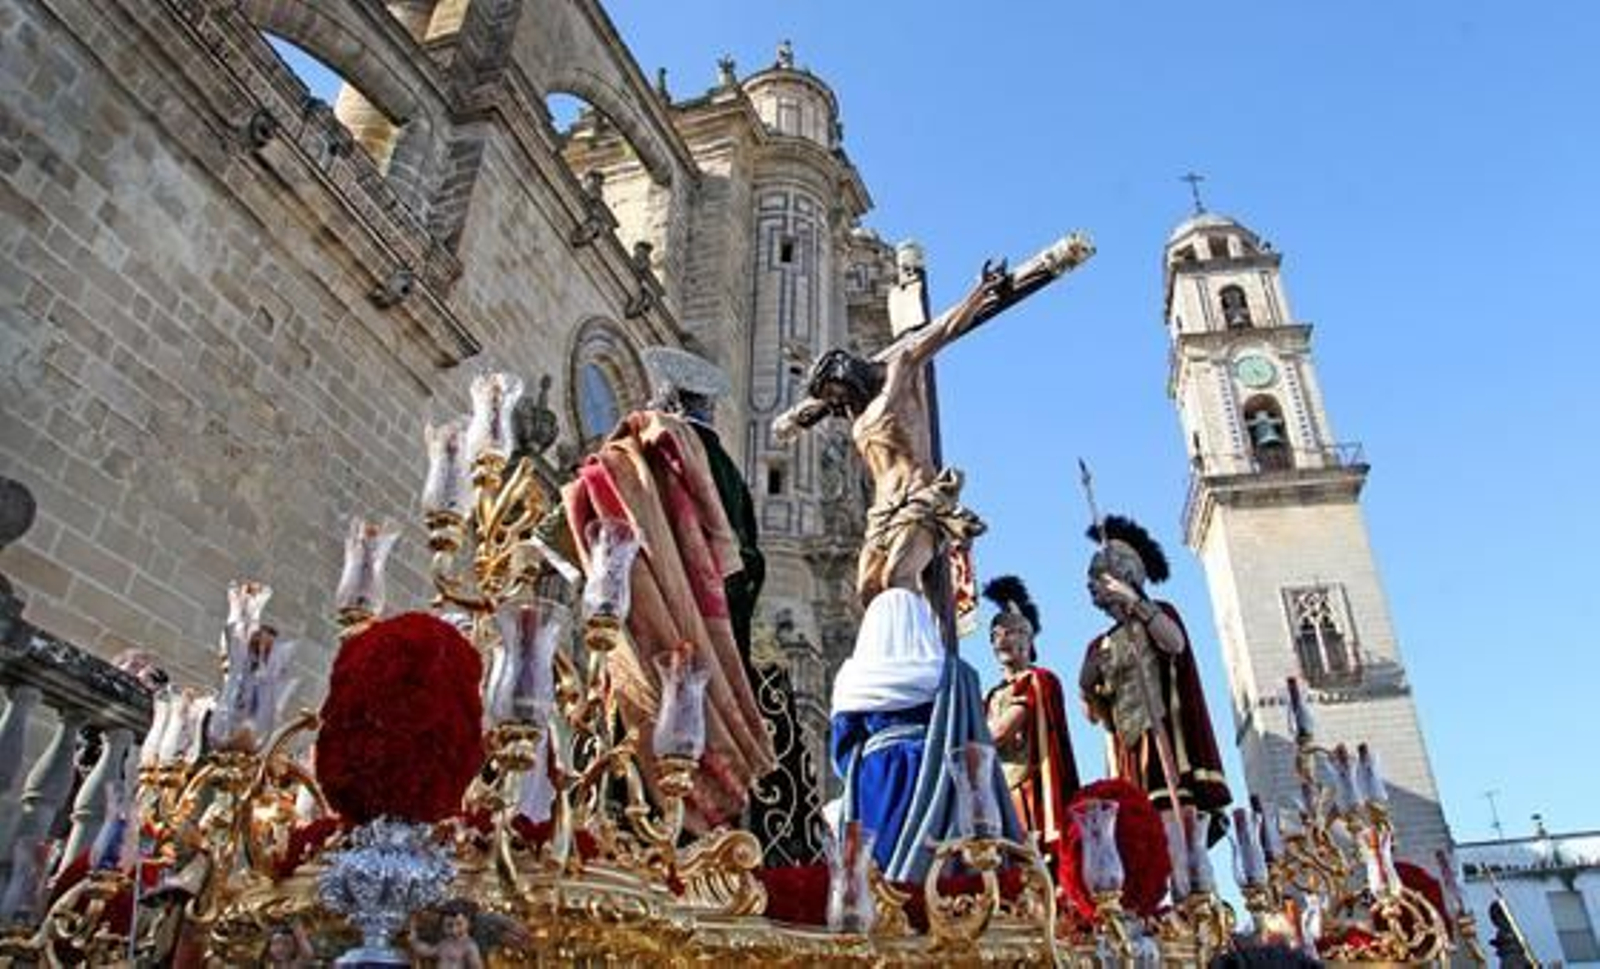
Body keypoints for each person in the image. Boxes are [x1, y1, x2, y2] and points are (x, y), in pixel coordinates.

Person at [776, 236, 1093, 607]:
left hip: (918, 497)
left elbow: (944, 330)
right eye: (828, 397)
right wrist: (797, 417)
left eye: (833, 391)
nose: (833, 401)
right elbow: (818, 407)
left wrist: (979, 293)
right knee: (868, 592)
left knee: (898, 578)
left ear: (846, 375)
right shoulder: (855, 412)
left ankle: (922, 646)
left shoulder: (899, 371)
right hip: (880, 512)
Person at [830, 588, 1020, 880]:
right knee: (942, 870)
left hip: (876, 778)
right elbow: (974, 739)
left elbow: (842, 750)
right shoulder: (954, 673)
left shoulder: (854, 678)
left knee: (879, 872)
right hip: (941, 774)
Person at [1078, 515, 1231, 838]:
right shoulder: (1099, 644)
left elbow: (1175, 643)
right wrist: (1086, 685)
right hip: (1128, 751)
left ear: (1125, 575)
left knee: (1173, 828)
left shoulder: (1159, 613)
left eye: (1098, 575)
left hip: (1164, 738)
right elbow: (1098, 717)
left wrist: (1136, 602)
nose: (1090, 584)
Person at [981, 576, 1080, 878]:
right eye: (996, 633)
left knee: (1034, 863)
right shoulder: (991, 695)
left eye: (1012, 631)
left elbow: (999, 732)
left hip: (1032, 787)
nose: (1003, 639)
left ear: (1029, 638)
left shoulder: (1038, 680)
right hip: (1001, 789)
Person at [409, 902, 483, 968]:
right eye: (449, 925)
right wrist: (413, 937)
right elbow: (427, 951)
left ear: (469, 924)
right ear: (442, 926)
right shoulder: (444, 944)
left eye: (459, 924)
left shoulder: (469, 946)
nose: (454, 931)